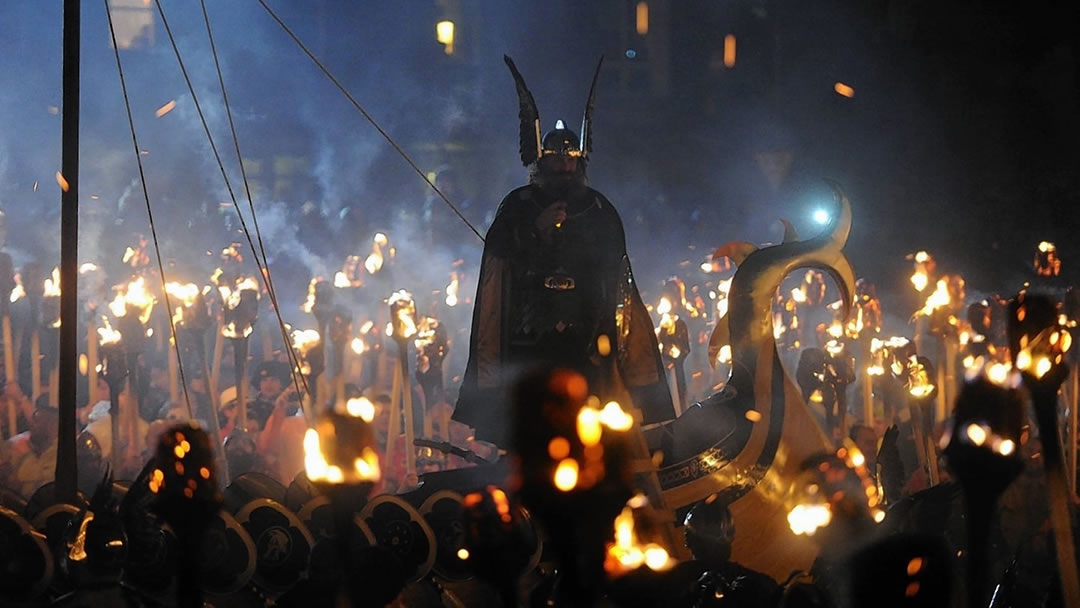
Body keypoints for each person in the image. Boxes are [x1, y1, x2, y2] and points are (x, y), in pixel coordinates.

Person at [454, 56, 673, 445]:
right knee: (533, 426)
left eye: (570, 161)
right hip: (528, 337)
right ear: (542, 160)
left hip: (586, 336)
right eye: (556, 159)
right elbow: (498, 253)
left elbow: (615, 273)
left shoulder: (599, 209)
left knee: (588, 428)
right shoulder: (519, 204)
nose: (563, 167)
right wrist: (535, 230)